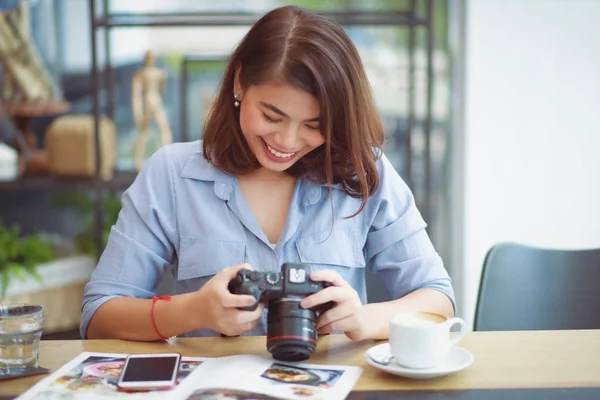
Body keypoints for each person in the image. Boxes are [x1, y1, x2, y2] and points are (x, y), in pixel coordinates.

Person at [81, 5, 456, 342]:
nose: (287, 141)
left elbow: (438, 298)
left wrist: (364, 318)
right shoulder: (171, 175)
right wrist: (192, 311)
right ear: (239, 82)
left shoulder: (365, 172)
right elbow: (98, 316)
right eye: (272, 116)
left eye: (315, 124)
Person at [131, 50, 173, 172]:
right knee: (146, 131)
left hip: (153, 100)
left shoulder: (156, 73)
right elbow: (136, 95)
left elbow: (161, 88)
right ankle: (137, 160)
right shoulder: (143, 74)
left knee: (163, 129)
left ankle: (167, 156)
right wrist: (137, 112)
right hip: (151, 101)